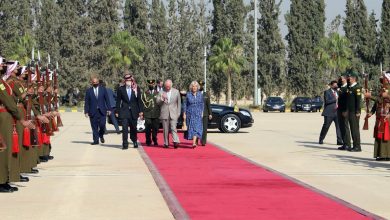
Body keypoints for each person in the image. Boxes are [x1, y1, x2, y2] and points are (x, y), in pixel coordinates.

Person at [366, 72, 390, 161]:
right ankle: (380, 154)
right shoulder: (382, 89)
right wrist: (371, 112)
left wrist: (371, 96)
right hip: (379, 115)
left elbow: (381, 99)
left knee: (385, 135)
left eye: (383, 79)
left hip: (387, 114)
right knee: (379, 135)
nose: (382, 81)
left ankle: (387, 155)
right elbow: (378, 102)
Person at [115, 73, 143, 149]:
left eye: (129, 80)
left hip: (134, 111)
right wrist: (117, 111)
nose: (128, 81)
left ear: (132, 80)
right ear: (125, 80)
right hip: (124, 111)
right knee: (124, 128)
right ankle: (125, 144)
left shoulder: (136, 88)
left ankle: (134, 141)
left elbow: (139, 101)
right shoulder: (121, 89)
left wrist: (141, 111)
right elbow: (118, 101)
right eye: (127, 80)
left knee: (133, 128)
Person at [84, 77, 111, 145]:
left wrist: (109, 109)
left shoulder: (103, 89)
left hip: (102, 111)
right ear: (92, 83)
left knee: (102, 125)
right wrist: (86, 111)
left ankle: (101, 135)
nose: (95, 84)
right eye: (94, 83)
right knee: (94, 126)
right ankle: (95, 140)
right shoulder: (88, 91)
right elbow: (86, 102)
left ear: (98, 82)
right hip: (93, 111)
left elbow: (107, 100)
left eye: (96, 82)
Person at [157, 79, 181, 149]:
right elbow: (157, 102)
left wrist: (178, 113)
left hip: (174, 113)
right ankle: (166, 143)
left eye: (168, 86)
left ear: (171, 85)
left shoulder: (176, 92)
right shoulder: (161, 92)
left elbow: (179, 103)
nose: (167, 87)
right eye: (166, 86)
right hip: (164, 113)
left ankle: (175, 141)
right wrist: (162, 99)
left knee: (173, 128)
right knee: (165, 129)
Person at [318, 80, 343, 146]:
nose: (336, 86)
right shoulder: (327, 92)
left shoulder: (338, 92)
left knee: (339, 127)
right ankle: (321, 139)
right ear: (331, 85)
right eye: (334, 85)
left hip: (337, 112)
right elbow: (327, 101)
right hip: (329, 112)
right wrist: (336, 98)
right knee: (326, 126)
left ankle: (339, 141)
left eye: (336, 85)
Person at [343, 70, 362, 152]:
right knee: (352, 128)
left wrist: (358, 111)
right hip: (349, 111)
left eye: (350, 77)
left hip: (354, 112)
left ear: (354, 78)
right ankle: (354, 145)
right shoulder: (350, 87)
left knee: (355, 129)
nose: (348, 78)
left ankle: (357, 146)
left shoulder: (357, 88)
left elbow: (358, 101)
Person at [183, 81, 204, 148]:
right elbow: (185, 105)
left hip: (198, 113)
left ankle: (194, 143)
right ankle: (193, 141)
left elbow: (202, 104)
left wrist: (202, 112)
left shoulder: (200, 94)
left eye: (195, 86)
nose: (194, 88)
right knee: (191, 128)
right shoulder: (188, 94)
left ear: (197, 87)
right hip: (190, 113)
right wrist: (184, 113)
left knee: (196, 128)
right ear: (191, 87)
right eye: (193, 86)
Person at [141, 79, 160, 146]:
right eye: (150, 84)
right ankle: (148, 141)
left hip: (156, 114)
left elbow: (160, 104)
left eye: (152, 84)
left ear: (154, 84)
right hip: (147, 114)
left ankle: (154, 139)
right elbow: (142, 103)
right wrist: (142, 113)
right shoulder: (145, 93)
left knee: (155, 129)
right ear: (148, 85)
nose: (151, 85)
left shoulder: (158, 93)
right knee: (148, 129)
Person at [337, 73, 351, 150]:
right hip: (339, 109)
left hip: (345, 110)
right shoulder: (341, 87)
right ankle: (344, 143)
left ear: (346, 79)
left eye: (342, 78)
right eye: (340, 78)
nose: (341, 79)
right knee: (341, 126)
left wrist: (345, 110)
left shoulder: (347, 88)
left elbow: (347, 101)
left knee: (345, 127)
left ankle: (348, 143)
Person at [199, 80, 212, 146]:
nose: (201, 86)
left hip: (205, 114)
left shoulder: (206, 94)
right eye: (200, 85)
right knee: (197, 128)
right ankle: (195, 140)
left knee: (204, 129)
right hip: (197, 114)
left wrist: (210, 114)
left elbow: (208, 105)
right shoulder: (195, 94)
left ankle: (203, 142)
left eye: (202, 85)